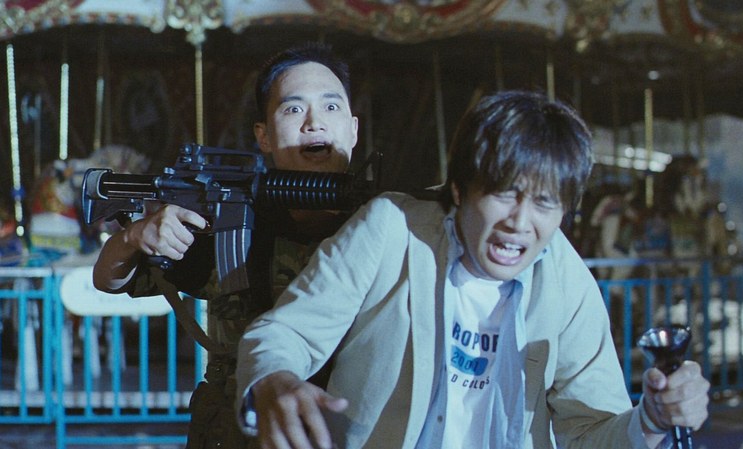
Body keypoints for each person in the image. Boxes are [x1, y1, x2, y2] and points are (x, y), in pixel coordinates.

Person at [235, 90, 711, 449]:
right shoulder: (391, 229)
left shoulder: (564, 277)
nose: (520, 222)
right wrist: (275, 381)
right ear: (460, 189)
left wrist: (651, 418)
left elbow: (589, 431)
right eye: (504, 193)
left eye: (545, 202)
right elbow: (285, 333)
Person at [92, 42, 359, 449]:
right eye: (293, 109)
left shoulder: (386, 222)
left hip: (350, 420)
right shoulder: (233, 219)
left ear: (353, 129)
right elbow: (108, 280)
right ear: (263, 136)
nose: (314, 123)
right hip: (239, 426)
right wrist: (134, 236)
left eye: (331, 106)